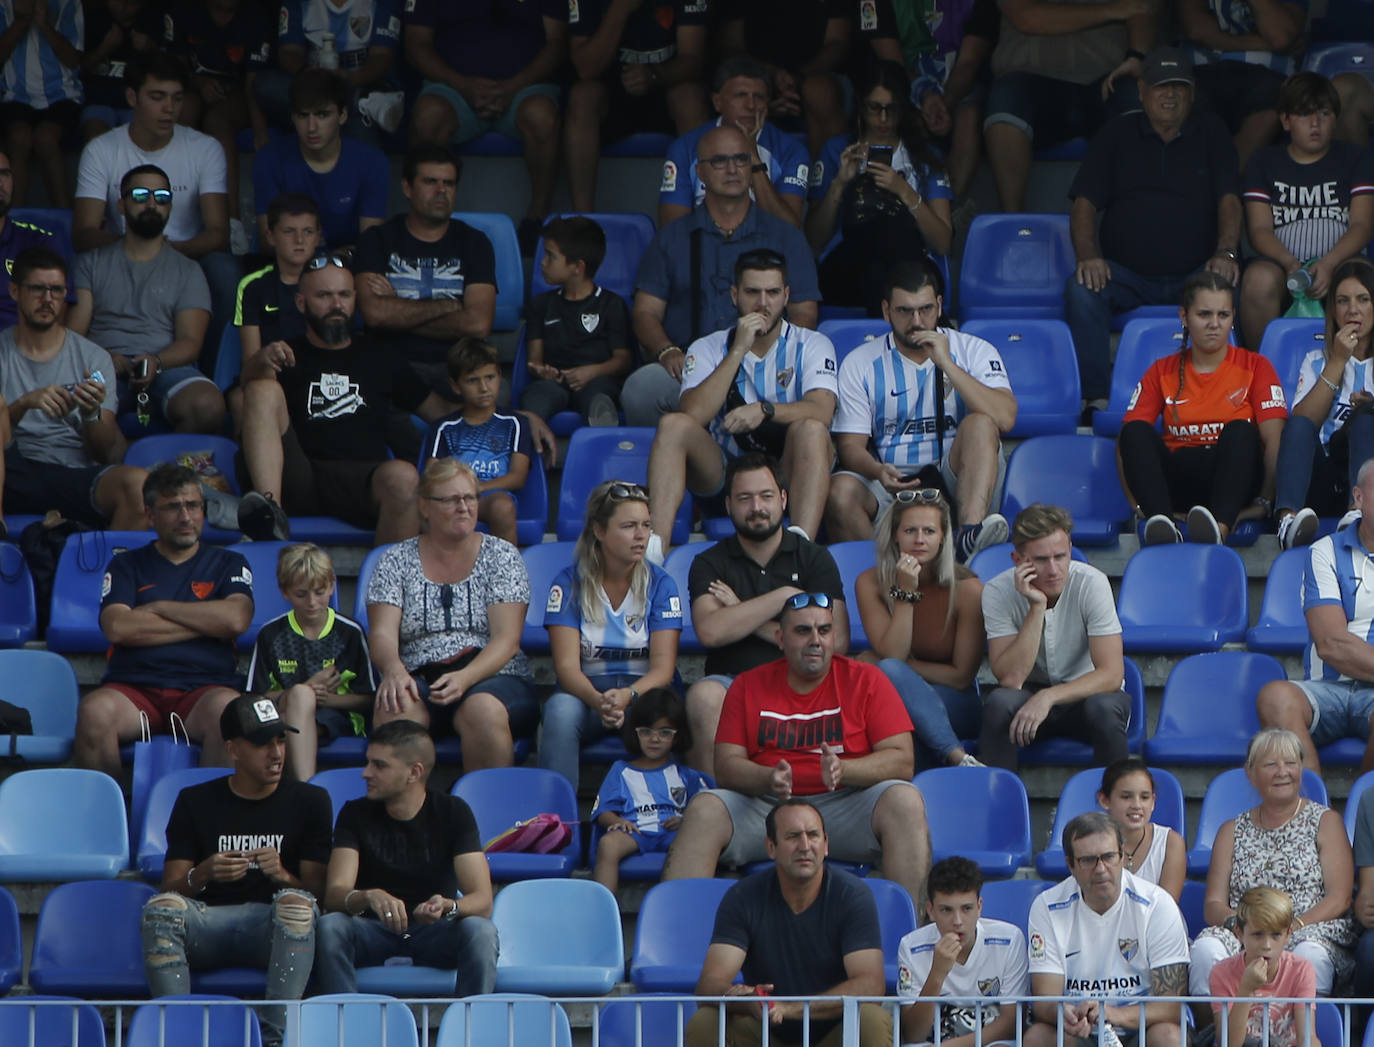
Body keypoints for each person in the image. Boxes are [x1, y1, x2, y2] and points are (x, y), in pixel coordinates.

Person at [664, 592, 930, 904]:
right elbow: (726, 766)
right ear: (780, 638)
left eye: (825, 631)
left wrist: (846, 769)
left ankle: (918, 937)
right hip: (767, 806)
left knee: (905, 800)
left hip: (846, 802)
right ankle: (674, 936)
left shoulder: (867, 679)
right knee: (705, 807)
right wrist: (767, 778)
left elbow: (902, 761)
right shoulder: (748, 685)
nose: (815, 640)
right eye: (803, 631)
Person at [140, 695, 331, 1042]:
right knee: (160, 911)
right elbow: (169, 888)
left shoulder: (310, 801)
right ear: (233, 749)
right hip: (207, 922)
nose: (276, 753)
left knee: (296, 907)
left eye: (280, 739)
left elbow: (321, 896)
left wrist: (284, 876)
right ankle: (181, 1036)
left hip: (273, 927)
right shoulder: (194, 801)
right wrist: (204, 874)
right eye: (262, 743)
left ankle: (275, 1038)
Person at [1064, 46, 1243, 408]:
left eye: (1178, 86)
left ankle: (1228, 394)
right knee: (1081, 289)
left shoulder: (1212, 132)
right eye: (1161, 86)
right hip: (1127, 275)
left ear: (1191, 93)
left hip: (1195, 275)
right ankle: (1095, 398)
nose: (1170, 94)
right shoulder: (1117, 133)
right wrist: (1088, 256)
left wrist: (1226, 251)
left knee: (1237, 284)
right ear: (1142, 91)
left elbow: (1229, 199)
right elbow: (1084, 203)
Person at [236, 258, 450, 545]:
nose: (336, 305)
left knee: (404, 477)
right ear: (301, 303)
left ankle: (388, 587)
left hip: (361, 480)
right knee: (261, 388)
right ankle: (268, 513)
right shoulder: (286, 352)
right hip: (298, 477)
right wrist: (262, 360)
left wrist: (521, 420)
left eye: (344, 295)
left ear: (355, 300)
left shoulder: (380, 355)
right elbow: (246, 388)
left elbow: (441, 412)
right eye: (323, 296)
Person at [624, 122, 819, 428]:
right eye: (719, 161)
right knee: (641, 389)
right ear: (700, 173)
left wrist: (772, 358)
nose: (732, 169)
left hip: (765, 369)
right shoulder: (672, 237)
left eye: (742, 159)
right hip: (691, 367)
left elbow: (805, 313)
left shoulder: (785, 236)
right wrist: (666, 350)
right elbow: (645, 312)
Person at [646, 248, 838, 557]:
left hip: (787, 472)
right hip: (723, 472)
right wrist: (737, 350)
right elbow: (693, 414)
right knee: (673, 424)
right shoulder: (708, 346)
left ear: (787, 295)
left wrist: (765, 410)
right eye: (752, 292)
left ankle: (800, 553)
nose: (763, 303)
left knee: (812, 430)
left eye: (773, 292)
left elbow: (823, 411)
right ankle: (653, 555)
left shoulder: (812, 343)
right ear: (735, 295)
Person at [825, 260, 1015, 561]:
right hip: (890, 480)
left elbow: (1005, 418)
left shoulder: (973, 350)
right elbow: (849, 447)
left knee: (981, 423)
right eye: (904, 311)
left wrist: (947, 365)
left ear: (939, 306)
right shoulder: (860, 362)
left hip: (956, 481)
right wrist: (877, 471)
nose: (917, 321)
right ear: (886, 310)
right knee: (839, 490)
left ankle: (968, 539)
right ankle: (883, 576)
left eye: (925, 309)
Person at [74, 463, 254, 777]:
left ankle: (205, 821)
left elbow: (236, 620)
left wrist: (157, 608)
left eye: (193, 506)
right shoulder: (126, 565)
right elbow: (118, 628)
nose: (185, 517)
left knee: (228, 712)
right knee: (93, 711)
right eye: (173, 507)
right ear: (150, 514)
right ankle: (107, 818)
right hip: (134, 689)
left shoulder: (229, 562)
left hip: (205, 688)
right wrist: (204, 622)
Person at [681, 453, 849, 776]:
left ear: (783, 499)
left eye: (766, 496)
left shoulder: (814, 558)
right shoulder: (709, 562)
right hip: (733, 683)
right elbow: (711, 631)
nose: (757, 507)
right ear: (728, 505)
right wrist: (784, 598)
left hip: (803, 682)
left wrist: (741, 612)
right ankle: (716, 807)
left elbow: (836, 640)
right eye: (745, 498)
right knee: (703, 696)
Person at [365, 458, 537, 771]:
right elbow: (382, 633)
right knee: (394, 708)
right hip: (420, 674)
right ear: (424, 507)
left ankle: (489, 815)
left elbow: (507, 641)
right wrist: (393, 670)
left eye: (470, 497)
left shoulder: (502, 556)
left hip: (494, 676)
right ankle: (405, 816)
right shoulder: (394, 560)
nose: (463, 507)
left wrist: (465, 678)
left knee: (481, 709)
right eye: (450, 499)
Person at [73, 52, 241, 371]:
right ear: (132, 97)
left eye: (177, 98)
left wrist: (165, 253)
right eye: (157, 97)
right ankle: (91, 367)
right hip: (120, 254)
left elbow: (219, 234)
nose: (169, 108)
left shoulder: (204, 148)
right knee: (83, 264)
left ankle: (210, 371)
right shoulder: (102, 150)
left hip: (186, 259)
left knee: (224, 269)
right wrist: (135, 249)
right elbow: (83, 234)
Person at [683, 799, 894, 1047]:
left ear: (826, 845)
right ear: (771, 847)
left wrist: (790, 1008)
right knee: (705, 1022)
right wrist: (748, 1000)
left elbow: (870, 985)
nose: (805, 846)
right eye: (793, 836)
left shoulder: (852, 895)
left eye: (813, 835)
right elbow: (709, 984)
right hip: (766, 1032)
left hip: (834, 1033)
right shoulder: (743, 897)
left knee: (871, 1019)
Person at [314, 718, 499, 995]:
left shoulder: (453, 812)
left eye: (379, 765)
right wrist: (368, 896)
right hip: (371, 928)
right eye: (368, 762)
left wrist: (448, 906)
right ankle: (346, 1023)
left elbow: (482, 900)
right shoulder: (355, 813)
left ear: (414, 772)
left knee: (481, 932)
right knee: (330, 927)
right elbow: (334, 894)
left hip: (433, 932)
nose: (366, 773)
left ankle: (469, 1030)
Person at [1118, 271, 1287, 545]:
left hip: (1236, 482)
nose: (1214, 324)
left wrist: (1264, 501)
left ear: (1233, 317)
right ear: (1184, 317)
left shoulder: (1256, 366)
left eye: (1223, 315)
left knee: (1241, 431)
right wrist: (1137, 505)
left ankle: (1218, 531)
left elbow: (1275, 440)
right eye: (1204, 314)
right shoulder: (1161, 370)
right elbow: (1126, 442)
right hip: (1181, 482)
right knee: (1134, 431)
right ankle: (1162, 524)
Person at [1190, 728, 1358, 997]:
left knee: (1309, 956)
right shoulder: (1231, 830)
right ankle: (1217, 1033)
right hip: (1244, 932)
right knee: (1205, 952)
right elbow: (1213, 905)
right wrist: (1247, 928)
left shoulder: (1325, 822)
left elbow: (1340, 899)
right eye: (1271, 764)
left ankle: (1298, 1032)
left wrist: (1293, 927)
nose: (1283, 772)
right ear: (1251, 773)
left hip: (1307, 929)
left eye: (1291, 763)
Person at [539, 481, 682, 788]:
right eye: (629, 526)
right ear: (599, 531)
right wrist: (599, 702)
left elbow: (663, 670)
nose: (641, 535)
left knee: (667, 712)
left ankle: (671, 814)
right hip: (588, 695)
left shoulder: (662, 584)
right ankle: (559, 825)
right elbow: (566, 669)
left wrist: (628, 696)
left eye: (646, 525)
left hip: (643, 694)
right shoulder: (568, 584)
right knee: (559, 711)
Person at [68, 163, 227, 435]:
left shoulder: (189, 270)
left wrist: (157, 361)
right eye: (141, 195)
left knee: (208, 406)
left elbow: (190, 342)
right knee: (79, 411)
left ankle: (169, 474)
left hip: (167, 368)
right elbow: (73, 334)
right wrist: (105, 358)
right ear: (121, 205)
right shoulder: (90, 263)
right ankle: (114, 475)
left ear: (170, 207)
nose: (152, 203)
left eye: (162, 197)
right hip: (100, 367)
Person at [0, 246, 147, 531]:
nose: (48, 299)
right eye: (37, 289)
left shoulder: (93, 358)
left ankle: (111, 574)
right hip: (13, 470)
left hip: (72, 471)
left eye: (56, 290)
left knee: (139, 486)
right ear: (15, 291)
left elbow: (106, 453)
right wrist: (24, 404)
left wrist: (92, 413)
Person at [404, 0, 566, 247]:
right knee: (429, 116)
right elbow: (416, 43)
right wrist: (463, 85)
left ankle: (538, 218)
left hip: (526, 88)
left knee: (541, 116)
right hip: (453, 88)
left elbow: (557, 43)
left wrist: (510, 88)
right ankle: (429, 221)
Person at [980, 503, 1129, 772]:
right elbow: (1011, 679)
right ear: (1018, 560)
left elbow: (1111, 674)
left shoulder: (1092, 583)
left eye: (1060, 556)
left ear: (1070, 549)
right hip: (1030, 700)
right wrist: (1036, 607)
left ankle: (1112, 809)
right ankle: (998, 805)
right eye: (1040, 560)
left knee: (1105, 708)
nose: (1053, 569)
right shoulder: (997, 591)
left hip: (1087, 695)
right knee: (999, 704)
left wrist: (1049, 697)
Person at [1025, 811, 1189, 1047]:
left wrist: (1112, 1014)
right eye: (1088, 860)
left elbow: (1171, 1006)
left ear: (1122, 856)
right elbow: (1045, 1000)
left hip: (1140, 1029)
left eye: (1109, 857)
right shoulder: (1046, 907)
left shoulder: (1157, 904)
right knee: (1038, 1038)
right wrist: (1064, 1014)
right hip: (1079, 1029)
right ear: (1070, 865)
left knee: (1170, 1037)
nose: (1101, 868)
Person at [806, 61, 954, 318]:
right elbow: (814, 239)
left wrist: (904, 191)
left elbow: (942, 242)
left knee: (889, 239)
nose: (883, 119)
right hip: (846, 271)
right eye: (875, 108)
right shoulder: (837, 150)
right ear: (861, 106)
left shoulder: (924, 157)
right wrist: (840, 183)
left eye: (892, 109)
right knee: (877, 233)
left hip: (911, 274)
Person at [1239, 72, 1374, 350]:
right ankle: (1262, 371)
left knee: (1360, 283)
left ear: (1335, 118)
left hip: (1342, 262)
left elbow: (1362, 225)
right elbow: (1259, 230)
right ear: (1286, 120)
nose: (1316, 123)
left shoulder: (1355, 158)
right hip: (1282, 265)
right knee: (1257, 280)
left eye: (1324, 113)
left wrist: (1328, 263)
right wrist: (1290, 263)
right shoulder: (1264, 161)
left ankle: (1361, 373)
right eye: (1304, 114)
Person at [1257, 460, 1374, 776]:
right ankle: (1313, 812)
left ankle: (1363, 812)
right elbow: (1331, 644)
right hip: (1327, 689)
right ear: (1359, 498)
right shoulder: (1325, 551)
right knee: (1275, 697)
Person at [982, 0, 1154, 212]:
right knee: (1006, 100)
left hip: (1106, 78)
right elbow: (1027, 18)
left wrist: (1137, 56)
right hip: (1029, 79)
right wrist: (1115, 10)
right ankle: (1014, 224)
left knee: (1138, 104)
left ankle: (1141, 221)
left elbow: (1141, 10)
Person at [856, 490, 984, 770]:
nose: (919, 539)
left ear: (943, 538)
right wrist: (906, 593)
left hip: (958, 702)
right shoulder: (869, 582)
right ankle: (958, 760)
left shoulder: (968, 590)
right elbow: (894, 652)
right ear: (894, 536)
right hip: (899, 704)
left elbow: (961, 677)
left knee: (888, 673)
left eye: (929, 531)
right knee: (901, 719)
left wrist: (897, 668)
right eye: (910, 530)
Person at [353, 145, 496, 393]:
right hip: (391, 364)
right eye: (430, 181)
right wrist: (449, 305)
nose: (441, 190)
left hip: (458, 367)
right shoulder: (376, 240)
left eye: (449, 183)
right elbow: (375, 314)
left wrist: (397, 310)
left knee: (496, 392)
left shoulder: (475, 242)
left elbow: (477, 324)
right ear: (407, 188)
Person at [246, 543, 376, 781]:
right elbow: (253, 700)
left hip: (338, 717)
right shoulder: (271, 634)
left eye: (319, 592)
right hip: (282, 715)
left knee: (283, 726)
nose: (312, 602)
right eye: (301, 594)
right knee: (298, 698)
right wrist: (306, 689)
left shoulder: (349, 633)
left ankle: (301, 787)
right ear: (284, 592)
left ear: (332, 586)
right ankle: (305, 788)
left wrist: (329, 699)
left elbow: (368, 698)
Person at [564, 0, 708, 213]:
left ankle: (703, 215)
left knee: (690, 97)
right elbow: (586, 69)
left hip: (665, 86)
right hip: (610, 96)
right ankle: (583, 221)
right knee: (582, 97)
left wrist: (653, 74)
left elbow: (693, 59)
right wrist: (619, 10)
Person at [1272, 259, 1374, 549]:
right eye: (1342, 301)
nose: (1352, 309)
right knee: (1299, 422)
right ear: (1333, 310)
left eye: (1363, 299)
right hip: (1322, 475)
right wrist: (1338, 361)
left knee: (1366, 419)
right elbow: (1302, 423)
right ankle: (1288, 522)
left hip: (1369, 481)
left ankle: (1358, 515)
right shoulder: (1316, 361)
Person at [162, 0, 272, 254]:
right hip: (191, 88)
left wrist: (260, 131)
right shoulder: (184, 11)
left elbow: (253, 82)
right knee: (182, 110)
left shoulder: (255, 15)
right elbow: (172, 69)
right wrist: (198, 83)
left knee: (217, 121)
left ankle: (231, 224)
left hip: (237, 95)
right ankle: (174, 212)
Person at [859, 0, 998, 200]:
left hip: (956, 86)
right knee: (901, 115)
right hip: (902, 83)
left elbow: (969, 63)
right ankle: (906, 209)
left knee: (970, 115)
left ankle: (949, 211)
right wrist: (924, 97)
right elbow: (891, 63)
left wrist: (944, 103)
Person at [659, 58, 810, 230]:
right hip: (704, 248)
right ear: (717, 102)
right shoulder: (686, 147)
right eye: (741, 95)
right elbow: (672, 231)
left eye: (759, 97)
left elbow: (789, 233)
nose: (751, 105)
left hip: (763, 252)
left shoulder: (790, 150)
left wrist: (752, 157)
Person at [251, 68, 388, 255]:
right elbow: (267, 241)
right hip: (288, 268)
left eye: (322, 115)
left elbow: (370, 245)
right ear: (292, 117)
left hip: (348, 269)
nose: (312, 127)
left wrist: (333, 262)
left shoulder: (372, 162)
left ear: (343, 115)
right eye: (303, 115)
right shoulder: (269, 159)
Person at [896, 856, 1028, 1047]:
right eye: (946, 910)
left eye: (966, 908)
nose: (957, 921)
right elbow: (913, 1034)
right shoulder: (911, 947)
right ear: (930, 911)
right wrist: (937, 974)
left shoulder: (1009, 940)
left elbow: (1011, 1024)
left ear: (979, 907)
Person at [591, 687, 711, 895]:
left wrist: (686, 821)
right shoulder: (621, 770)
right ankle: (604, 911)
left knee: (703, 841)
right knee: (608, 844)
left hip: (674, 834)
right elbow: (603, 811)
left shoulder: (687, 775)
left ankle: (692, 903)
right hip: (636, 831)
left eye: (664, 732)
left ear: (677, 736)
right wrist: (616, 822)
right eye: (646, 731)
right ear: (635, 732)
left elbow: (707, 808)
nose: (654, 739)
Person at [420, 338, 532, 547]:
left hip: (491, 496)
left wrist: (474, 489)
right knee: (424, 508)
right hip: (452, 498)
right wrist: (458, 494)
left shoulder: (515, 424)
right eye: (472, 380)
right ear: (456, 386)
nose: (483, 387)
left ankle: (507, 577)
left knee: (503, 506)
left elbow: (517, 477)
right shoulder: (444, 427)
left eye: (489, 377)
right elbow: (431, 476)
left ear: (500, 376)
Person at [521, 215, 631, 427]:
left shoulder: (611, 305)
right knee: (535, 399)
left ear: (577, 267)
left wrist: (592, 372)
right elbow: (534, 360)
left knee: (598, 399)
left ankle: (603, 450)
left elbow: (623, 360)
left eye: (550, 256)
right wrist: (542, 371)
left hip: (596, 381)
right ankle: (530, 451)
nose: (543, 262)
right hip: (553, 384)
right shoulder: (541, 305)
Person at [1177, 0, 1303, 168]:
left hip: (1268, 74)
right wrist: (1262, 44)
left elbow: (1280, 37)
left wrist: (1222, 41)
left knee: (1273, 104)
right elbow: (1197, 30)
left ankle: (1228, 186)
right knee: (1186, 103)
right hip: (1204, 70)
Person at [254, 0, 403, 141]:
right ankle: (362, 102)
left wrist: (351, 78)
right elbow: (289, 51)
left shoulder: (382, 2)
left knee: (363, 152)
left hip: (357, 82)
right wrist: (309, 73)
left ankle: (356, 102)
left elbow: (382, 55)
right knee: (265, 85)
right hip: (311, 84)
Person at [719, 0, 851, 158]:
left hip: (813, 75)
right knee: (746, 90)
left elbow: (837, 42)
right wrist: (771, 75)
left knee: (820, 91)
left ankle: (825, 178)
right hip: (756, 74)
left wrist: (797, 78)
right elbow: (731, 45)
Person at [1209, 886, 1320, 1047]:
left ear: (1288, 934)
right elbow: (1228, 1043)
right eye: (1257, 934)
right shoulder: (1221, 973)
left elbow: (1307, 1038)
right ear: (1239, 933)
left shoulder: (1301, 969)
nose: (1267, 945)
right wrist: (1246, 989)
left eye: (1276, 935)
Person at [233, 193, 322, 391]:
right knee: (242, 398)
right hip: (271, 380)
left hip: (323, 378)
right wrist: (266, 356)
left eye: (308, 231)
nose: (299, 240)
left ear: (318, 237)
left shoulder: (333, 280)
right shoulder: (253, 286)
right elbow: (249, 365)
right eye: (289, 231)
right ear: (271, 236)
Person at [0, 0, 81, 209]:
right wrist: (20, 22)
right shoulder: (3, 5)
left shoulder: (68, 3)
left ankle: (63, 218)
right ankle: (13, 220)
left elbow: (74, 59)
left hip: (61, 94)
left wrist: (44, 24)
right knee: (19, 137)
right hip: (16, 95)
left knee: (45, 138)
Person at [1097, 757, 1185, 900]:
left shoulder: (1171, 843)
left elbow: (1166, 908)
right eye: (1126, 797)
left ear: (1153, 802)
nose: (1137, 805)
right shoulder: (1092, 843)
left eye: (1145, 797)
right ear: (1105, 800)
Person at [78, 0, 161, 142]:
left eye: (129, 3)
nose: (121, 7)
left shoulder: (151, 21)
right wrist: (105, 48)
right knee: (96, 141)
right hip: (99, 100)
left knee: (141, 142)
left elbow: (169, 71)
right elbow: (79, 68)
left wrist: (151, 48)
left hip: (136, 104)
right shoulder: (94, 19)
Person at [1350, 785, 1374, 998]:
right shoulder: (1370, 800)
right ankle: (1366, 1028)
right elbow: (1367, 889)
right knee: (1370, 948)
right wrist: (1365, 906)